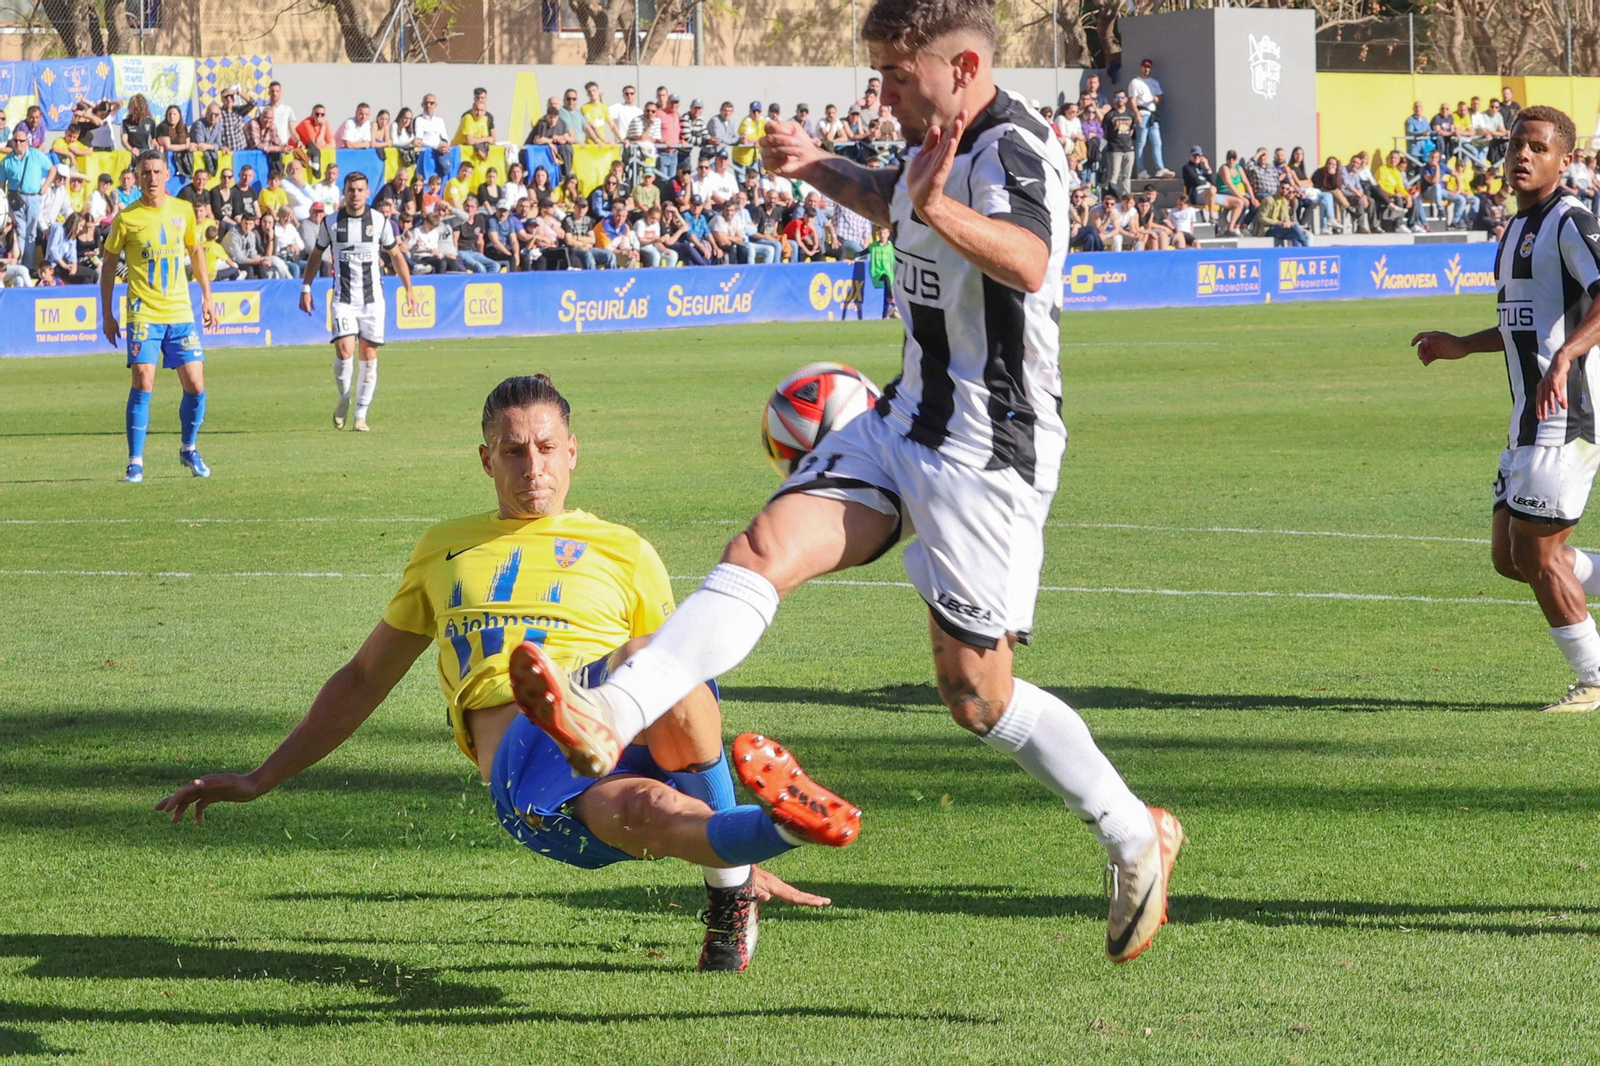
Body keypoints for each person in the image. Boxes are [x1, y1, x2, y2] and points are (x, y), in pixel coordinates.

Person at [507, 0, 1184, 966]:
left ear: (960, 64)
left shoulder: (1018, 148)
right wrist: (816, 166)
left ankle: (1132, 833)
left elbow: (1029, 260)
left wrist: (940, 202)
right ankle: (606, 714)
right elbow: (898, 198)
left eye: (896, 77)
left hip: (986, 451)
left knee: (977, 695)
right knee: (762, 551)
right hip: (901, 416)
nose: (884, 93)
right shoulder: (931, 140)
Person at [155, 374, 853, 972]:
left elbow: (687, 692)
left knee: (662, 680)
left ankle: (758, 852)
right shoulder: (444, 549)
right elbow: (363, 679)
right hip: (531, 784)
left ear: (573, 452)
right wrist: (260, 778)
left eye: (547, 448)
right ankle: (741, 837)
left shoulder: (625, 550)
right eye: (514, 452)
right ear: (486, 459)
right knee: (642, 779)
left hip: (627, 721)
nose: (533, 467)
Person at [1413, 106, 1600, 713]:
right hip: (1526, 415)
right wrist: (1461, 346)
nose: (1522, 155)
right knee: (1509, 558)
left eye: (1538, 147)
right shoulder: (1516, 230)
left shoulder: (1571, 221)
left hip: (1567, 415)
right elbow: (1522, 325)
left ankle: (1594, 679)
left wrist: (1569, 354)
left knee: (1538, 556)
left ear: (1563, 160)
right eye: (1517, 144)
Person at [99, 150, 219, 484]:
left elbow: (196, 252)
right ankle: (135, 461)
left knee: (195, 385)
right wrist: (107, 313)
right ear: (137, 177)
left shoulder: (183, 211)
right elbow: (109, 264)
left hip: (180, 311)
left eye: (157, 171)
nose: (152, 178)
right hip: (143, 312)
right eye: (145, 172)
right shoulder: (127, 219)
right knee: (143, 380)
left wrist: (207, 298)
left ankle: (188, 448)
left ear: (167, 175)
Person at [300, 171, 419, 432]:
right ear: (345, 192)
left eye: (360, 190)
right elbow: (316, 256)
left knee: (369, 353)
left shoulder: (379, 221)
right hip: (343, 298)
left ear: (367, 193)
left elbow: (396, 254)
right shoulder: (331, 222)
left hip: (373, 300)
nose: (355, 194)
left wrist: (408, 288)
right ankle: (344, 398)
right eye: (351, 189)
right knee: (344, 351)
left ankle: (361, 414)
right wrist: (306, 287)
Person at [1, 126, 51, 261]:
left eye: (21, 141)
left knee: (31, 233)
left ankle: (27, 265)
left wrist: (45, 185)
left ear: (27, 142)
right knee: (21, 231)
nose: (18, 143)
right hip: (15, 198)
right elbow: (1, 186)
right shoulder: (6, 161)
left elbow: (52, 169)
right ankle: (21, 263)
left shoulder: (36, 155)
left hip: (34, 197)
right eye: (16, 141)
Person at [1126, 58, 1172, 178]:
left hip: (1152, 114)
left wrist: (1158, 100)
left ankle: (1160, 167)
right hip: (1142, 112)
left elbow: (1160, 100)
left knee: (1157, 142)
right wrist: (1137, 115)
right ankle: (1141, 170)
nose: (1146, 69)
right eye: (1145, 67)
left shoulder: (1154, 82)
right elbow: (1132, 100)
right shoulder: (1135, 82)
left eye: (1149, 67)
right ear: (1141, 67)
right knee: (1141, 142)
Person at [1102, 91, 1137, 193]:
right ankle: (1112, 197)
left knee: (1127, 176)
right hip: (1114, 149)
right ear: (1114, 100)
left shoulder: (1130, 114)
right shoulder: (1110, 115)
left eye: (1122, 97)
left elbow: (1131, 129)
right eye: (1118, 97)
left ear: (1126, 99)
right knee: (1114, 175)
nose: (1120, 99)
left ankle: (1127, 197)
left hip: (1129, 149)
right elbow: (1105, 131)